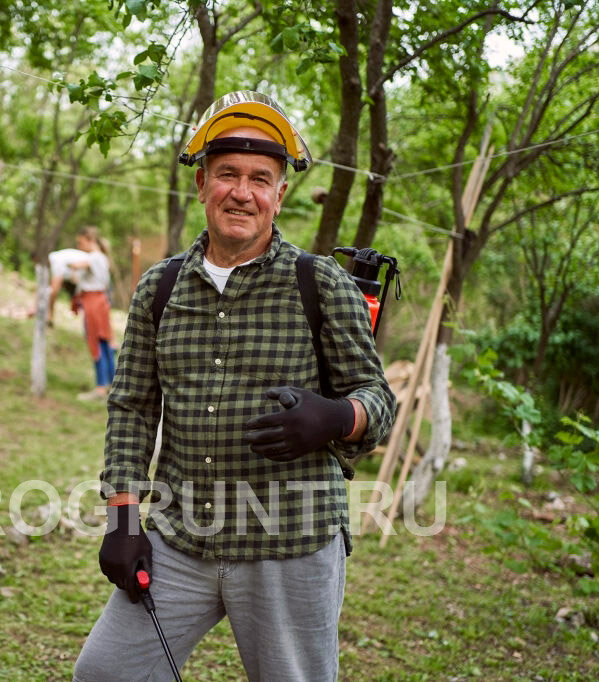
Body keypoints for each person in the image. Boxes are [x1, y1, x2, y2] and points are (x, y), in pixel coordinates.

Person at [73, 91, 396, 681]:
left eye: (259, 178)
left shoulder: (320, 284)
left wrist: (334, 417)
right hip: (180, 539)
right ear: (202, 185)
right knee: (107, 673)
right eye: (227, 175)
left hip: (289, 545)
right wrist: (123, 517)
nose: (241, 192)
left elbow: (380, 403)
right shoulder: (159, 288)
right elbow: (133, 408)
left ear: (279, 194)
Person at [69, 226, 116, 401]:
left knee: (96, 343)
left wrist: (69, 264)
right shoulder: (101, 258)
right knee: (104, 343)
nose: (80, 246)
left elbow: (77, 265)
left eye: (81, 242)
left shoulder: (95, 257)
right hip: (98, 302)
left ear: (89, 239)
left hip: (94, 303)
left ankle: (100, 387)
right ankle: (111, 383)